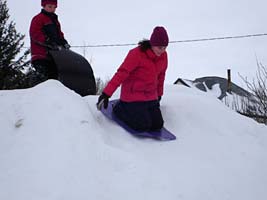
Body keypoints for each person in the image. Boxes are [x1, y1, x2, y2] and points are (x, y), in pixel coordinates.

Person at [97, 26, 169, 132]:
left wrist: (159, 95)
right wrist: (106, 93)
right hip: (132, 96)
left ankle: (141, 112)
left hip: (150, 96)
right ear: (152, 44)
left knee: (157, 125)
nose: (162, 51)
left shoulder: (163, 56)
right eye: (159, 47)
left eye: (165, 47)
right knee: (142, 126)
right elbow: (122, 73)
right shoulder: (137, 54)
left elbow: (161, 76)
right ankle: (119, 109)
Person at [29, 0, 70, 82]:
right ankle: (37, 93)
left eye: (54, 7)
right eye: (50, 7)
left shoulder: (55, 21)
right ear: (44, 6)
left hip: (54, 56)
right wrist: (47, 41)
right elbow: (35, 34)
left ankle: (52, 94)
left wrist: (63, 42)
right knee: (43, 79)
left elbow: (59, 34)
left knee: (54, 80)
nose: (52, 9)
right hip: (40, 55)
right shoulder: (38, 18)